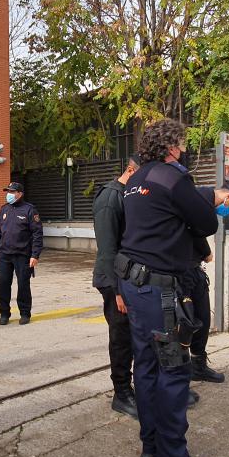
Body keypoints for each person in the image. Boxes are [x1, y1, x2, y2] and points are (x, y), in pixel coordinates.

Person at [116, 118, 219, 457]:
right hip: (160, 292)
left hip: (135, 285)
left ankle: (150, 446)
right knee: (173, 369)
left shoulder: (137, 179)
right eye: (183, 143)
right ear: (173, 146)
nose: (186, 149)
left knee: (145, 366)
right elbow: (207, 221)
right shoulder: (174, 178)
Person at [92, 156, 140, 419]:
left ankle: (135, 387)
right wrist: (118, 289)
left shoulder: (130, 195)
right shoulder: (111, 198)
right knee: (121, 337)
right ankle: (121, 393)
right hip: (114, 281)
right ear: (130, 170)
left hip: (130, 277)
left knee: (134, 337)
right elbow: (108, 249)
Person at [187, 182, 229, 387]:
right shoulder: (198, 198)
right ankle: (178, 374)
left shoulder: (206, 204)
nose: (228, 210)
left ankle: (198, 365)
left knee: (202, 318)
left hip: (194, 269)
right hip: (180, 269)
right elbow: (190, 229)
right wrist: (206, 251)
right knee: (184, 323)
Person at [0, 181, 43, 325]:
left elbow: (37, 234)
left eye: (12, 192)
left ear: (20, 194)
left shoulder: (29, 210)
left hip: (23, 255)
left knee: (23, 285)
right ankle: (4, 313)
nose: (9, 194)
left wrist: (35, 255)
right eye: (8, 192)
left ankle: (25, 313)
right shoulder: (4, 209)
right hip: (4, 255)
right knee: (3, 284)